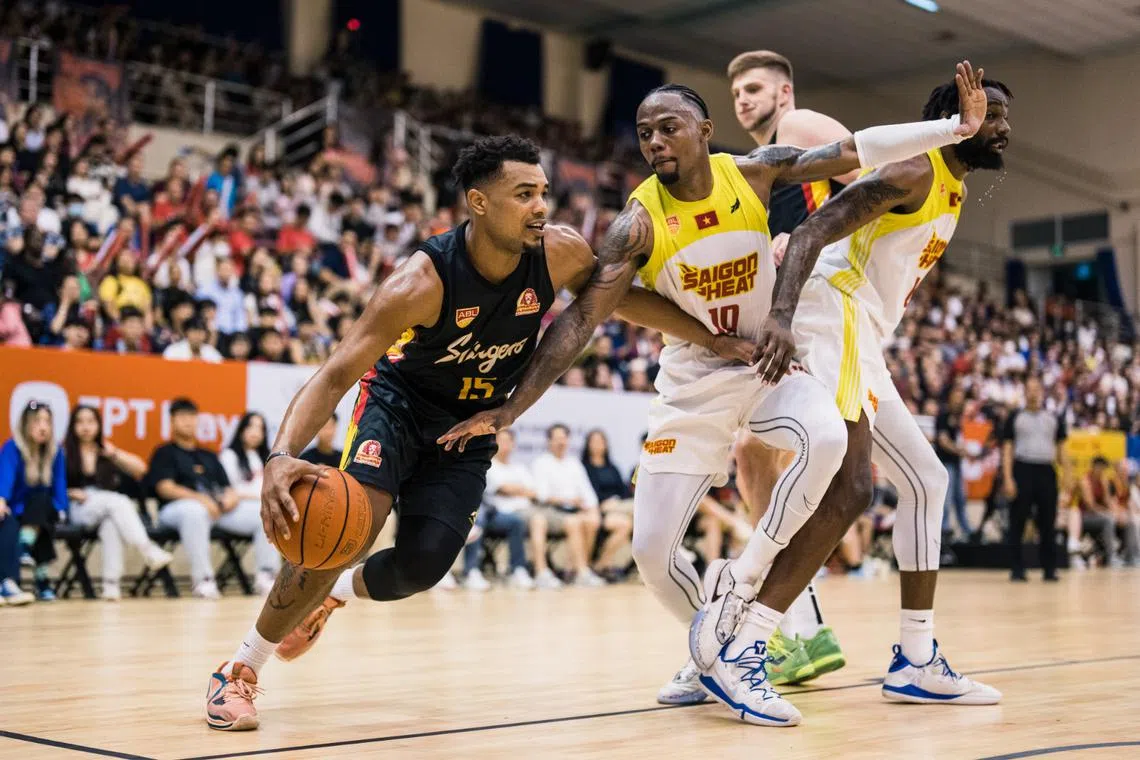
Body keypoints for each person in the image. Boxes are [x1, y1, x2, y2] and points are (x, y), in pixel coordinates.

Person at [441, 64, 989, 726]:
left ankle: (742, 586)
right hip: (693, 385)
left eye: (668, 128)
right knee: (649, 553)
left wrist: (952, 128)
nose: (655, 142)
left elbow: (852, 151)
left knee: (829, 437)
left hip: (759, 367)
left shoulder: (753, 173)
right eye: (644, 134)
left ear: (704, 132)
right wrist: (510, 409)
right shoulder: (639, 223)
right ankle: (712, 653)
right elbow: (582, 321)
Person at [202, 136, 750, 731]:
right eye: (524, 195)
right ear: (478, 203)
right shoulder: (420, 281)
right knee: (345, 529)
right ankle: (238, 669)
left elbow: (618, 300)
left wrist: (713, 338)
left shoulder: (561, 252)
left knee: (420, 567)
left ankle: (336, 595)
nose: (541, 206)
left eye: (543, 192)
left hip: (471, 426)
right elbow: (336, 371)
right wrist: (282, 454)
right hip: (398, 407)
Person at [706, 70, 1011, 716]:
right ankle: (747, 646)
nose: (1005, 127)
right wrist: (783, 318)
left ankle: (916, 658)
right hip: (833, 316)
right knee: (852, 489)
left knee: (928, 481)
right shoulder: (915, 172)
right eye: (994, 113)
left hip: (864, 336)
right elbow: (815, 231)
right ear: (959, 116)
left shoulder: (949, 187)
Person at [722, 49, 858, 691]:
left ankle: (786, 619)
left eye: (755, 88)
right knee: (756, 457)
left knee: (761, 452)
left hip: (824, 314)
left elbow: (878, 173)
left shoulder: (799, 125)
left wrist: (817, 239)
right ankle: (799, 624)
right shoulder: (758, 165)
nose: (743, 99)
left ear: (784, 90)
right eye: (737, 91)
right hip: (790, 315)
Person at [148, 398, 274, 600]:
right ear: (171, 421)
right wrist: (200, 499)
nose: (188, 421)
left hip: (214, 511)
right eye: (181, 417)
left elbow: (228, 488)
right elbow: (165, 488)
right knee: (194, 511)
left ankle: (266, 576)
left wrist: (230, 498)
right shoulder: (164, 452)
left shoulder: (207, 455)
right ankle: (204, 579)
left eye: (192, 416)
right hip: (175, 511)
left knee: (264, 513)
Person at [63, 405, 173, 601]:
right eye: (80, 422)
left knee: (111, 524)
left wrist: (114, 454)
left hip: (104, 506)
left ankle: (111, 584)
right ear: (72, 425)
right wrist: (70, 493)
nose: (86, 427)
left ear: (98, 425)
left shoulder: (105, 451)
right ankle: (147, 548)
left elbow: (140, 469)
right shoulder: (63, 452)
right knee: (119, 501)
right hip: (77, 508)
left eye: (91, 421)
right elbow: (50, 486)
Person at [464, 428, 561, 590]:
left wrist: (516, 491)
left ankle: (518, 570)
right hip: (489, 512)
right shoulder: (487, 465)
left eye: (509, 441)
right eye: (502, 441)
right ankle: (471, 572)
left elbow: (533, 491)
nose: (506, 445)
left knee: (515, 522)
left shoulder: (519, 467)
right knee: (476, 521)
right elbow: (501, 488)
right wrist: (519, 491)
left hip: (507, 516)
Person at [1001, 377, 1067, 580]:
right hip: (1022, 469)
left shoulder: (1053, 418)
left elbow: (1062, 452)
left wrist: (1066, 483)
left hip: (1046, 470)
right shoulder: (1015, 417)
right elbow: (1007, 449)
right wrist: (1008, 478)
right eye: (1029, 389)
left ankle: (1049, 569)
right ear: (1024, 392)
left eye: (1036, 389)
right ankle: (1017, 568)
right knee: (1018, 521)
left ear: (1042, 392)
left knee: (1048, 521)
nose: (1033, 393)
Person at [0, 400, 65, 602]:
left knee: (44, 503)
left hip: (45, 509)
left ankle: (24, 547)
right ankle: (40, 581)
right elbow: (6, 477)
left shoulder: (56, 452)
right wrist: (1, 499)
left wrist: (62, 509)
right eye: (37, 421)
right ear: (26, 424)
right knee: (14, 520)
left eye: (47, 421)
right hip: (18, 509)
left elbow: (59, 487)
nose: (43, 426)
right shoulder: (13, 447)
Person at [219, 412, 279, 594]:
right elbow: (230, 492)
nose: (255, 432)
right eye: (250, 426)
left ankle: (283, 575)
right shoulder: (229, 455)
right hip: (233, 512)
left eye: (260, 428)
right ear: (241, 429)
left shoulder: (266, 458)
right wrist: (261, 497)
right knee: (266, 515)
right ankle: (266, 574)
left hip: (259, 507)